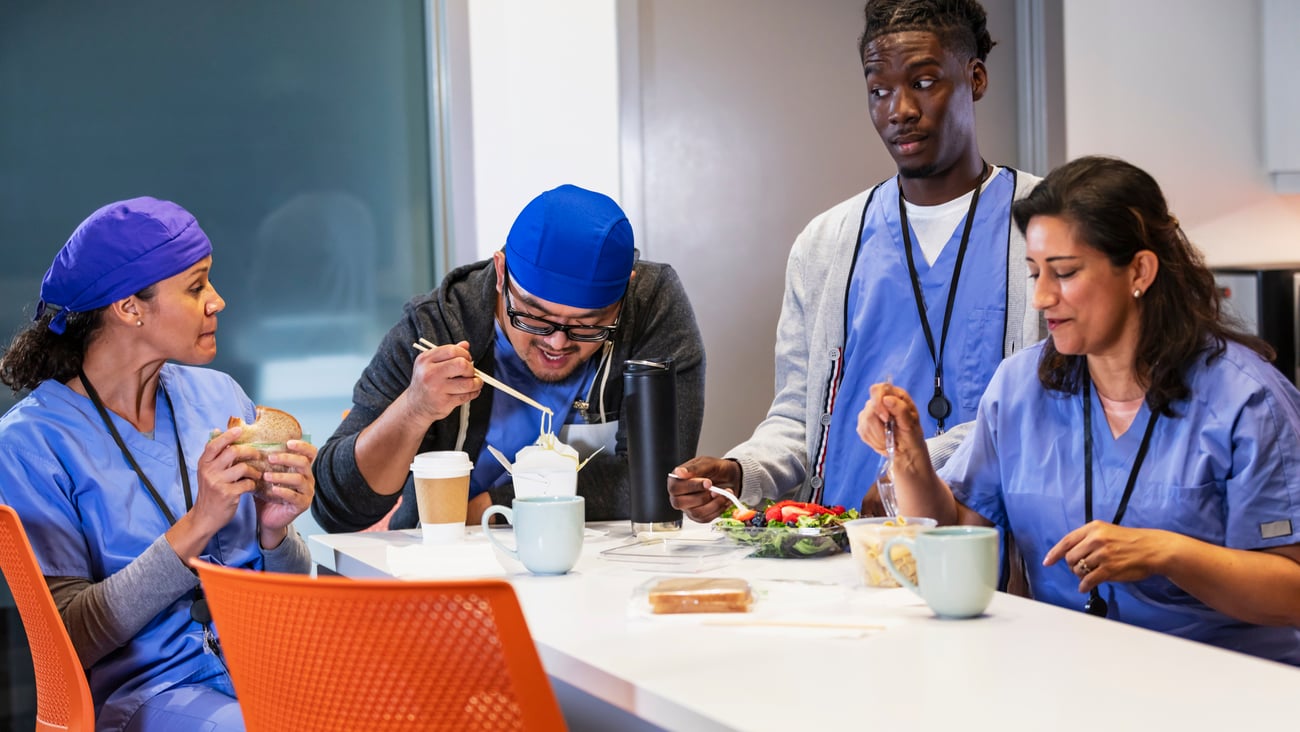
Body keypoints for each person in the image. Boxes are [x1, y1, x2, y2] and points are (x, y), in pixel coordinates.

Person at [857, 156, 1300, 663]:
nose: (1042, 297)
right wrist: (909, 455)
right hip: (1068, 676)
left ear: (1139, 270)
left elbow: (1291, 590)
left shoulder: (1247, 401)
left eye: (1064, 273)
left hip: (1226, 685)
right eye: (1034, 273)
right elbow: (955, 533)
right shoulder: (1021, 388)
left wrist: (1169, 553)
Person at [669, 0, 1041, 521]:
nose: (900, 109)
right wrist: (742, 471)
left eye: (925, 82)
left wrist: (913, 466)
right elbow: (799, 419)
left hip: (988, 557)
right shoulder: (825, 245)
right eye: (879, 90)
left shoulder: (1044, 229)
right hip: (847, 550)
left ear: (975, 78)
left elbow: (1046, 406)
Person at [0, 197, 317, 729]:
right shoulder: (31, 444)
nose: (218, 301)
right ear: (130, 308)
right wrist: (199, 524)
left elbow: (286, 593)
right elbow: (69, 637)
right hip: (151, 695)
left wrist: (274, 535)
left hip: (269, 672)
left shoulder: (220, 399)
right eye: (196, 287)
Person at [311, 184, 704, 532]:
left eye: (588, 325)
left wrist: (490, 506)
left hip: (601, 563)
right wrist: (414, 410)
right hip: (443, 567)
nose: (556, 343)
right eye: (534, 317)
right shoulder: (437, 328)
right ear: (501, 272)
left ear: (625, 293)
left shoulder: (652, 305)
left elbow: (657, 484)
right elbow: (336, 507)